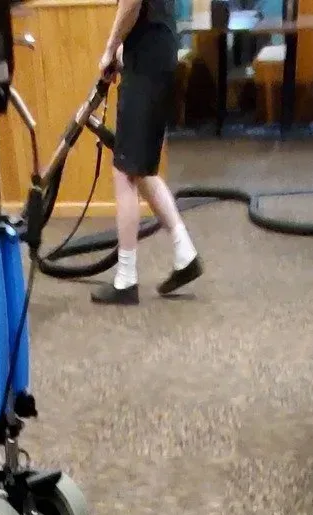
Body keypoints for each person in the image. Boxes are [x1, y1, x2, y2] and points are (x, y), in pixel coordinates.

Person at [91, 0, 203, 304]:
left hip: (148, 62)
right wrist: (121, 50)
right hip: (156, 53)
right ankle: (185, 254)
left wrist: (110, 46)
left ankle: (126, 279)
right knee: (140, 167)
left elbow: (131, 3)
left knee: (124, 170)